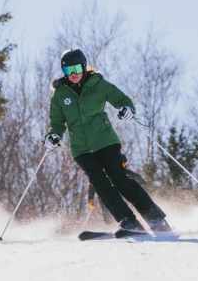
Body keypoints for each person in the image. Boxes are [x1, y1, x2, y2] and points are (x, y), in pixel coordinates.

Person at [45, 48, 171, 234]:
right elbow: (56, 124)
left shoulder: (98, 84)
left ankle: (156, 219)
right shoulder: (59, 95)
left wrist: (126, 109)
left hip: (105, 141)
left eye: (77, 68)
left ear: (84, 66)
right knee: (100, 183)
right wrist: (52, 136)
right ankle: (128, 221)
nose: (73, 74)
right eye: (68, 70)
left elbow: (122, 99)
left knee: (120, 179)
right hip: (81, 148)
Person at [87, 153, 146, 225]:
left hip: (124, 197)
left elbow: (141, 181)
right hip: (110, 197)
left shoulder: (128, 173)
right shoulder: (104, 175)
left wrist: (144, 188)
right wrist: (90, 198)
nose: (122, 167)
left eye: (124, 165)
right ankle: (111, 224)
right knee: (105, 199)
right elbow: (93, 184)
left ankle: (134, 220)